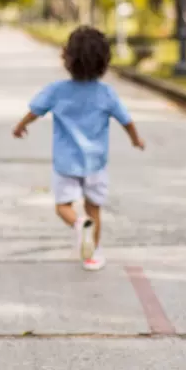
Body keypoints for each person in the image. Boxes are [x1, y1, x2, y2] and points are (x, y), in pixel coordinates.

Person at [12, 26, 145, 271]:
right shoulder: (106, 93)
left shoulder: (56, 91)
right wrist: (136, 140)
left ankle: (77, 223)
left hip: (66, 164)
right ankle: (93, 255)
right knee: (94, 208)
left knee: (63, 207)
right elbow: (126, 120)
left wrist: (20, 126)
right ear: (105, 62)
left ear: (67, 58)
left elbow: (34, 111)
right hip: (95, 163)